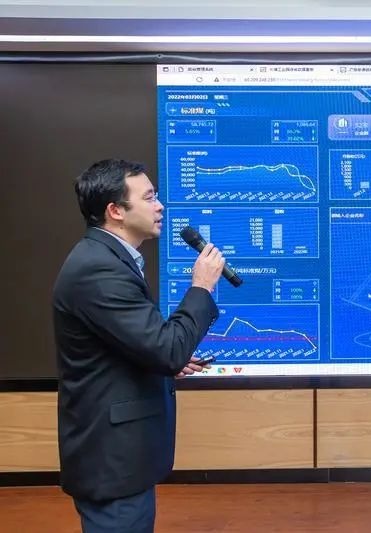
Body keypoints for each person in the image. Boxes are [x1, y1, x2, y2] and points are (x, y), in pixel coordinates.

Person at [52, 159, 225, 532]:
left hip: (122, 458)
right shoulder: (99, 269)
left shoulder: (109, 259)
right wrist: (201, 287)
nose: (160, 206)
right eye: (148, 197)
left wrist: (157, 358)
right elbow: (168, 349)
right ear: (115, 211)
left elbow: (131, 344)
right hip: (112, 461)